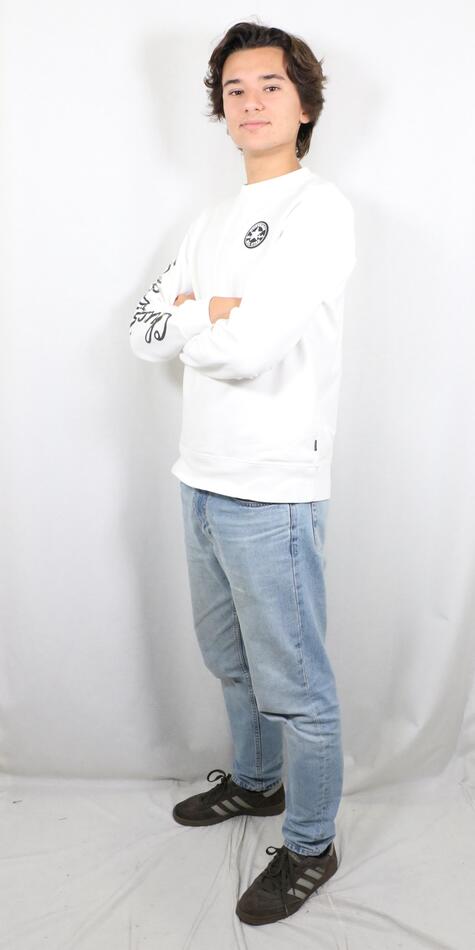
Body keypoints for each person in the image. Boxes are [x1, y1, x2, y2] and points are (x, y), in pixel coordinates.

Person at [129, 20, 356, 927]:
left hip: (272, 488)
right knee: (228, 661)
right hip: (200, 473)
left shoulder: (317, 210)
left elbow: (251, 348)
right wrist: (203, 312)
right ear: (219, 110)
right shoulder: (207, 222)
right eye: (234, 89)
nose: (250, 102)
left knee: (295, 686)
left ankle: (310, 842)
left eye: (269, 86)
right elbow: (144, 333)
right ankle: (258, 783)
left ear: (303, 105)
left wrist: (199, 317)